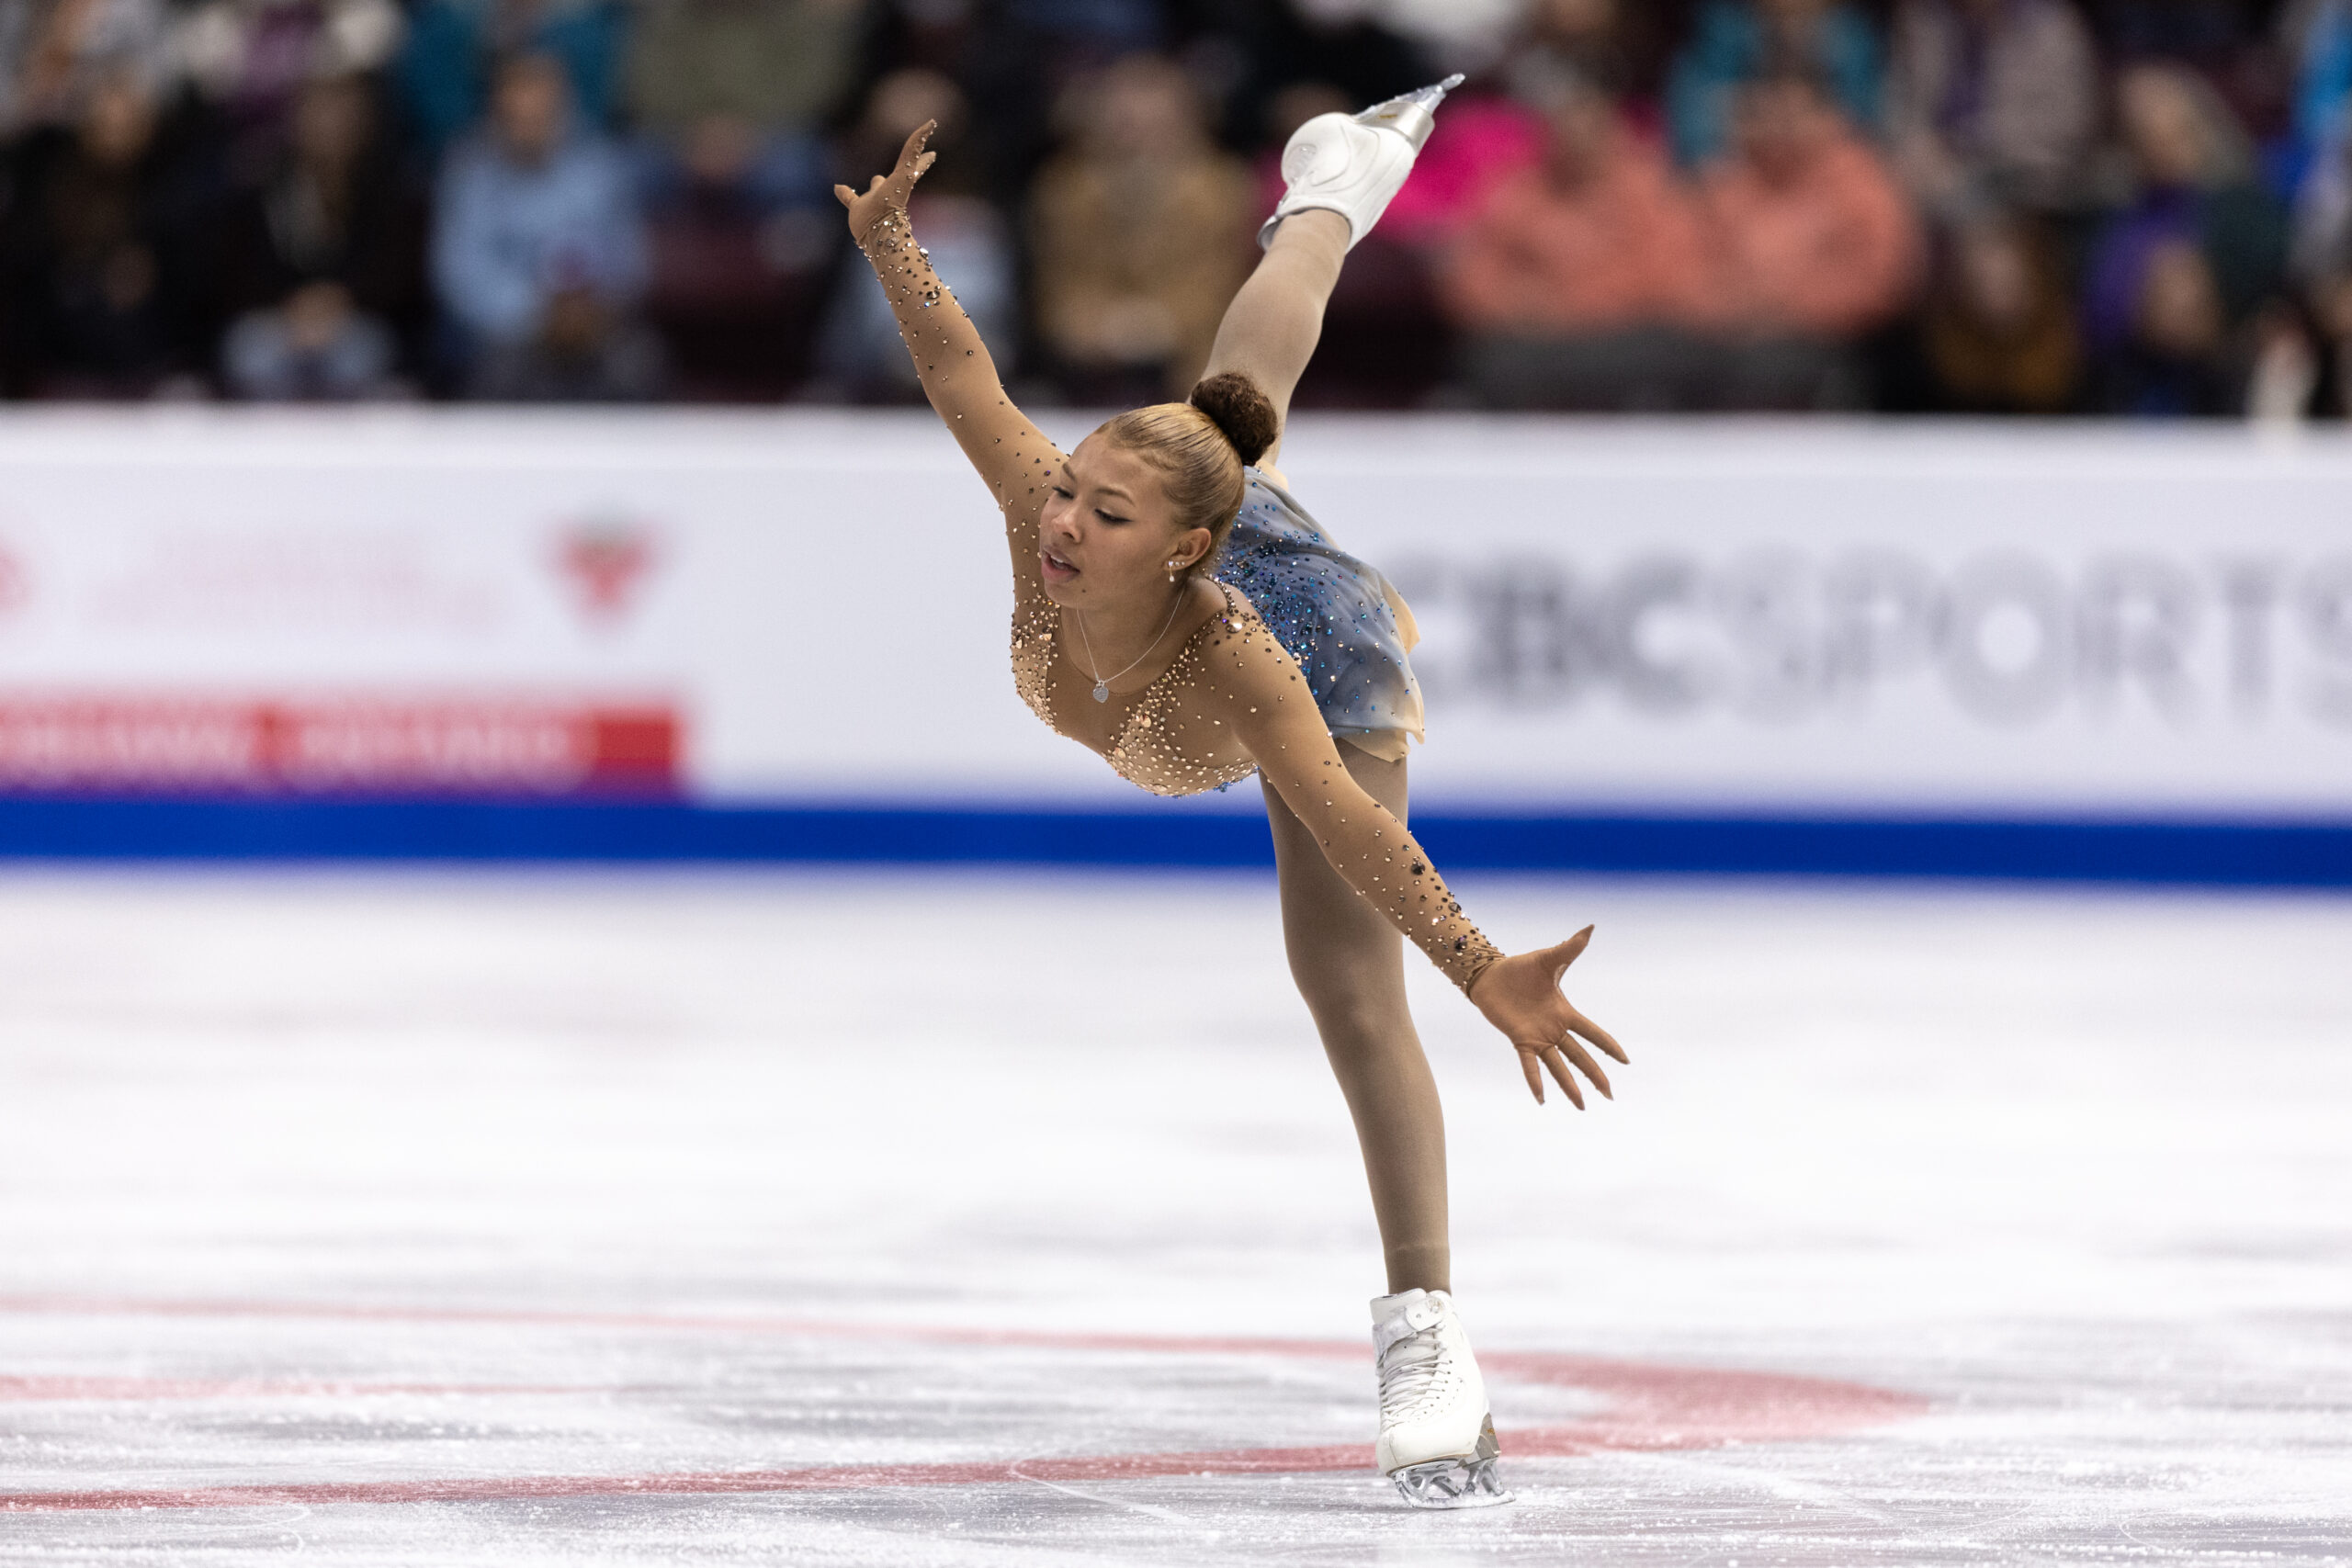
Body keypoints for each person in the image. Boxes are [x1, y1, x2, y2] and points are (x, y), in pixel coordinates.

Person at [834, 84, 1627, 1509]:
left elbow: (1352, 825)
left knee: (1343, 986)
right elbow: (963, 373)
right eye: (1071, 490)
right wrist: (896, 243)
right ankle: (1335, 177)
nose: (1064, 522)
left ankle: (1429, 1334)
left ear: (1191, 550)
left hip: (1328, 648)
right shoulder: (1053, 519)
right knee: (1236, 396)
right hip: (1210, 498)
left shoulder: (1264, 658)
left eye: (1104, 515)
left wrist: (1479, 966)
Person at [1442, 79, 1717, 410]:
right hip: (1535, 338)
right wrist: (1514, 303)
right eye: (1567, 132)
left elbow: (1674, 274)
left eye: (1590, 131)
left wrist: (1576, 303)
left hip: (1625, 336)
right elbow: (1471, 271)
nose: (1578, 143)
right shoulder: (1513, 189)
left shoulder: (1651, 190)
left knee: (1665, 356)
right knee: (1493, 361)